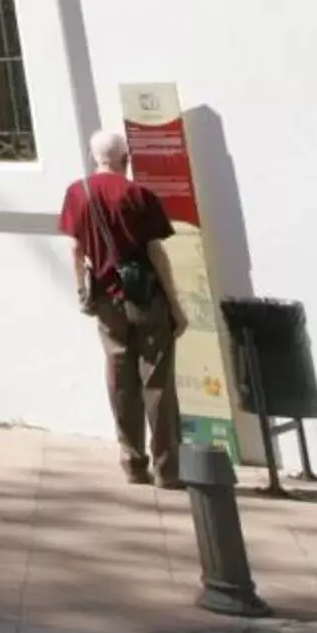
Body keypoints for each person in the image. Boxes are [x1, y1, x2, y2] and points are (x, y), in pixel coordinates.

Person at [60, 126, 186, 487]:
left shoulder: (76, 193)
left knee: (120, 378)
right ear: (124, 159)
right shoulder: (138, 195)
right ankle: (167, 468)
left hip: (107, 300)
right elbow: (155, 252)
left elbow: (75, 248)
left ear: (93, 156)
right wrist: (175, 305)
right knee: (157, 381)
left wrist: (82, 289)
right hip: (147, 298)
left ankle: (132, 462)